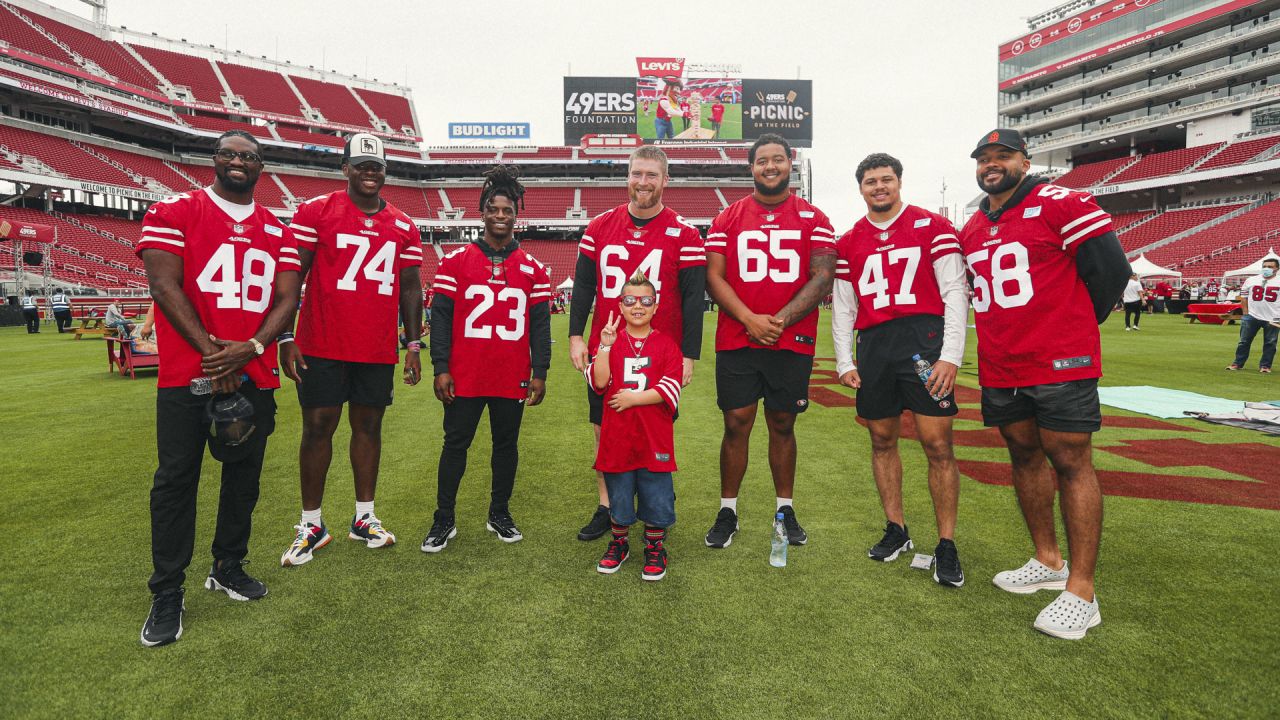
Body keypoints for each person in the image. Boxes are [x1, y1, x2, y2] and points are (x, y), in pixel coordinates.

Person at [958, 128, 1130, 640]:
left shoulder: (1063, 202)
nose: (992, 165)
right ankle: (1048, 559)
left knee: (1071, 461)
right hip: (1003, 362)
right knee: (1023, 456)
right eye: (984, 158)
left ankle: (1081, 590)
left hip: (1059, 359)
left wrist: (1071, 326)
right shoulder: (971, 226)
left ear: (1025, 160)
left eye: (1003, 156)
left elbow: (1111, 272)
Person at [135, 129, 302, 647]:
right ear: (215, 159)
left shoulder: (278, 228)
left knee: (244, 475)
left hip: (253, 374)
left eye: (249, 157)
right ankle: (167, 590)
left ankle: (228, 564)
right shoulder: (176, 210)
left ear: (261, 167)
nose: (238, 162)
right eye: (229, 153)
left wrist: (249, 349)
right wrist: (214, 354)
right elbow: (163, 285)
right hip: (188, 375)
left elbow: (287, 298)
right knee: (176, 481)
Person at [278, 133, 424, 567]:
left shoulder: (403, 225)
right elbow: (291, 278)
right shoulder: (315, 212)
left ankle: (364, 517)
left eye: (376, 165)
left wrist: (413, 344)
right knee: (318, 427)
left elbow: (411, 289)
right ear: (345, 169)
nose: (368, 172)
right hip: (322, 341)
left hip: (375, 346)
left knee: (369, 427)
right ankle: (311, 523)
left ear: (385, 171)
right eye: (360, 164)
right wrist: (286, 336)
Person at [831, 153, 967, 587]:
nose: (879, 187)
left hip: (923, 341)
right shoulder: (850, 240)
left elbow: (954, 293)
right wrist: (844, 360)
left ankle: (946, 542)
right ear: (861, 188)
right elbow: (844, 308)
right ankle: (897, 529)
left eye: (886, 180)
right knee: (881, 438)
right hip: (875, 345)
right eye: (871, 181)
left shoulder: (933, 227)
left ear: (899, 182)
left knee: (937, 444)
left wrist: (951, 355)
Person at [703, 133, 836, 549]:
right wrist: (748, 319)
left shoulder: (815, 218)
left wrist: (776, 321)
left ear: (789, 163)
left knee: (782, 423)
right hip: (739, 338)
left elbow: (823, 276)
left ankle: (784, 508)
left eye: (777, 159)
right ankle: (728, 510)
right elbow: (713, 277)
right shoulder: (728, 218)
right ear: (751, 167)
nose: (770, 167)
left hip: (789, 337)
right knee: (735, 422)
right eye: (762, 161)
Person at [568, 146, 705, 541]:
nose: (642, 182)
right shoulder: (599, 226)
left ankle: (654, 505)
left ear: (666, 180)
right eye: (636, 174)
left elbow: (694, 299)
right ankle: (608, 506)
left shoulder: (684, 232)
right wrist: (577, 335)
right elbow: (584, 286)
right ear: (627, 177)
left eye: (651, 175)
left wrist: (689, 356)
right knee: (603, 429)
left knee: (655, 428)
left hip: (660, 353)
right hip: (609, 346)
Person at [421, 165, 552, 552]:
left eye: (507, 210)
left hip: (511, 374)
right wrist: (441, 368)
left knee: (506, 446)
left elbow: (540, 327)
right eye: (493, 209)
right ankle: (444, 518)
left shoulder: (532, 270)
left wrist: (540, 371)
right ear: (482, 212)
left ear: (516, 215)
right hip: (466, 374)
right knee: (455, 445)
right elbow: (441, 320)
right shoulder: (456, 262)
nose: (500, 216)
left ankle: (499, 512)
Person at [588, 271, 682, 581]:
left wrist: (634, 399)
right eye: (629, 300)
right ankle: (619, 543)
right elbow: (600, 381)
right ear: (620, 305)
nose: (637, 306)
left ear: (656, 306)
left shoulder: (667, 344)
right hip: (617, 437)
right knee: (620, 496)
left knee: (656, 495)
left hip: (654, 437)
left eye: (645, 301)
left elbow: (671, 388)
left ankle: (655, 548)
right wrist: (604, 346)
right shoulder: (611, 342)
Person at [1227, 257, 1280, 373]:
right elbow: (1244, 298)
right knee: (1244, 341)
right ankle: (1237, 363)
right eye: (1265, 266)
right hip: (1252, 316)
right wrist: (1245, 313)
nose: (1266, 269)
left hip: (1274, 317)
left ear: (1277, 268)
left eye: (1270, 267)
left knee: (1270, 343)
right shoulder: (1251, 280)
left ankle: (1265, 366)